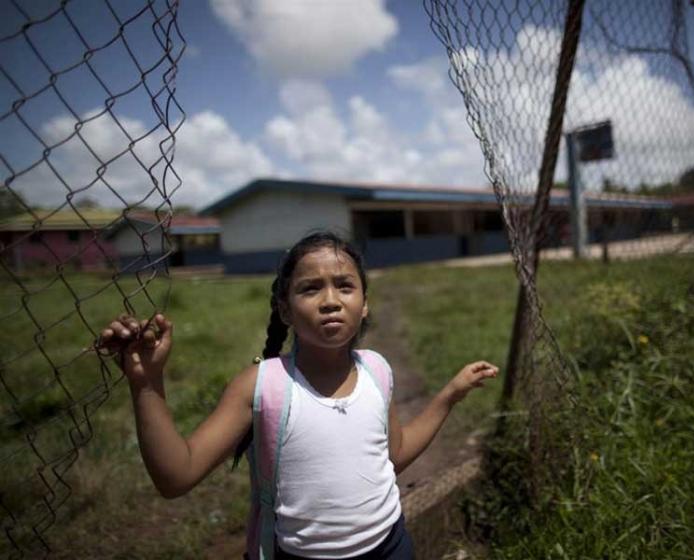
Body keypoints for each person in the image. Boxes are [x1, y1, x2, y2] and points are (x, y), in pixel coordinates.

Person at [95, 231, 499, 559]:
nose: (330, 302)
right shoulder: (262, 385)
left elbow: (392, 457)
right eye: (310, 289)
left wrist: (450, 394)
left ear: (364, 306)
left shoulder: (377, 370)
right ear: (285, 310)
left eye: (344, 286)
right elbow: (176, 476)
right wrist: (147, 384)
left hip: (392, 546)